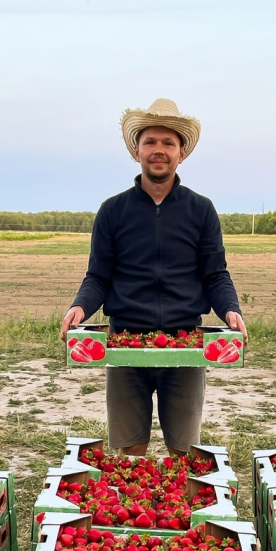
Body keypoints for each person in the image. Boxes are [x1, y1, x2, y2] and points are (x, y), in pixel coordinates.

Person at [61, 98, 247, 457]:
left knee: (185, 451)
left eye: (168, 143)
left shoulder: (201, 210)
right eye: (150, 142)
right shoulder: (113, 211)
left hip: (185, 344)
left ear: (181, 153)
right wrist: (79, 307)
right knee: (130, 451)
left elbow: (215, 275)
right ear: (136, 151)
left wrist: (231, 310)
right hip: (125, 344)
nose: (158, 150)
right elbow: (98, 276)